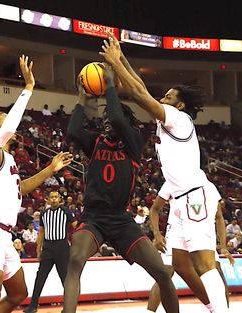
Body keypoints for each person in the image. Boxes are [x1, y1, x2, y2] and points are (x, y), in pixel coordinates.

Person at [101, 32, 229, 312]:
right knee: (180, 264)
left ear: (180, 105)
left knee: (205, 262)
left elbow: (137, 93)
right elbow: (141, 86)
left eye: (168, 96)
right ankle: (212, 306)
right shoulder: (169, 118)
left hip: (195, 195)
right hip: (179, 198)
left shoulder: (179, 119)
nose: (162, 97)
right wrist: (121, 57)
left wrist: (115, 66)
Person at [63, 66, 179, 313]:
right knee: (75, 260)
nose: (106, 123)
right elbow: (73, 131)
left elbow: (117, 117)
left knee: (162, 273)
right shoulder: (95, 142)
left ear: (126, 123)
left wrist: (110, 85)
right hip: (93, 217)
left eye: (110, 120)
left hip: (120, 219)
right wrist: (82, 99)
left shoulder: (133, 141)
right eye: (103, 121)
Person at [0, 54, 72, 313]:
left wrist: (50, 169)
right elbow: (8, 130)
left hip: (4, 233)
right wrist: (27, 88)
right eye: (4, 121)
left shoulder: (9, 158)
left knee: (18, 293)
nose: (11, 126)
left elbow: (20, 189)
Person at [147, 197, 233, 312]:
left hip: (201, 233)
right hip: (177, 233)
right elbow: (155, 209)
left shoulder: (208, 187)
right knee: (165, 274)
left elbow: (219, 217)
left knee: (217, 271)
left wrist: (223, 246)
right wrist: (157, 234)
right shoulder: (173, 182)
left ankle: (222, 309)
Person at [23, 191, 77, 313]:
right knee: (40, 277)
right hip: (48, 247)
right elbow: (41, 232)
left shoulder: (66, 212)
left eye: (56, 197)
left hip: (62, 247)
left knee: (65, 278)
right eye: (51, 197)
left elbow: (76, 227)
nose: (53, 199)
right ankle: (33, 306)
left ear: (60, 199)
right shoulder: (44, 214)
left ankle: (68, 307)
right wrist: (38, 250)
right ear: (47, 200)